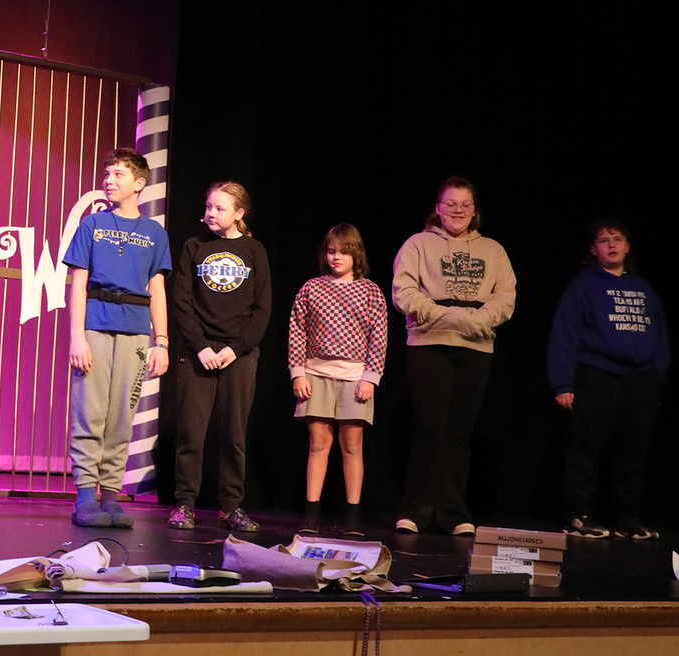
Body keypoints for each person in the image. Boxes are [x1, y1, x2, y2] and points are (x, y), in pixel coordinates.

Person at [391, 176, 515, 536]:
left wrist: (479, 319)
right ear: (438, 208)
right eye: (450, 204)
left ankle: (452, 511)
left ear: (474, 211)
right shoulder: (418, 244)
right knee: (429, 427)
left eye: (465, 205)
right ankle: (416, 510)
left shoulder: (493, 250)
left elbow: (505, 296)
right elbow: (404, 291)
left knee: (459, 432)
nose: (457, 210)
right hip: (429, 343)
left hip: (476, 345)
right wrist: (447, 316)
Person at [63, 148, 171, 528]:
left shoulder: (155, 233)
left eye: (119, 174)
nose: (109, 179)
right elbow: (77, 285)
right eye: (107, 173)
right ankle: (84, 495)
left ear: (140, 183)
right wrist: (77, 336)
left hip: (136, 331)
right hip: (95, 324)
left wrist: (162, 340)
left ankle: (111, 495)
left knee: (122, 415)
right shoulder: (92, 225)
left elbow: (156, 287)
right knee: (89, 412)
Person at [548, 219, 669, 540]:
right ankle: (578, 515)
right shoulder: (584, 286)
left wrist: (657, 376)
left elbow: (660, 335)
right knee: (585, 447)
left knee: (633, 451)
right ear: (593, 250)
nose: (611, 245)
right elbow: (565, 335)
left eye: (618, 239)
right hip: (597, 375)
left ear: (628, 247)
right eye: (603, 240)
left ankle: (628, 517)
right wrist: (563, 383)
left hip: (640, 382)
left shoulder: (643, 288)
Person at [169, 182, 271, 532]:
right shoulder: (194, 246)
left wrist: (234, 349)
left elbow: (262, 309)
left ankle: (231, 506)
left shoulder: (254, 250)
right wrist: (201, 346)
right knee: (191, 433)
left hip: (238, 354)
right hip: (198, 351)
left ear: (239, 214)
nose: (211, 213)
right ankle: (185, 504)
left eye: (220, 209)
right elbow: (182, 301)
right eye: (209, 206)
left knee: (234, 434)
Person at [289, 224, 387, 537]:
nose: (336, 258)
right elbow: (296, 332)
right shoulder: (311, 288)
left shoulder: (371, 291)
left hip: (355, 377)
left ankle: (353, 518)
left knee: (352, 445)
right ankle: (311, 514)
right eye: (331, 251)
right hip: (317, 374)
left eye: (343, 252)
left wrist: (371, 377)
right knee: (318, 444)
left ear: (356, 254)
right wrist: (298, 372)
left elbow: (379, 337)